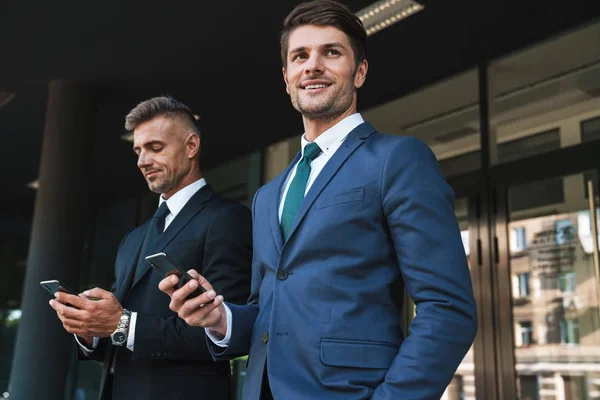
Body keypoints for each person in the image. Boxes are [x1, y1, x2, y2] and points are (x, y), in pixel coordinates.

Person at [159, 1, 478, 399]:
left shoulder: (398, 160)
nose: (312, 66)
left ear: (359, 71)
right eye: (300, 56)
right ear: (287, 78)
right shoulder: (268, 195)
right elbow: (267, 315)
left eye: (331, 52)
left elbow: (448, 309)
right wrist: (219, 318)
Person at [49, 96, 253, 400]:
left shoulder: (228, 219)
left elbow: (224, 333)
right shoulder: (133, 237)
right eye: (138, 150)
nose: (142, 161)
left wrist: (122, 324)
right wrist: (90, 329)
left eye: (155, 148)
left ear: (191, 146)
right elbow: (119, 336)